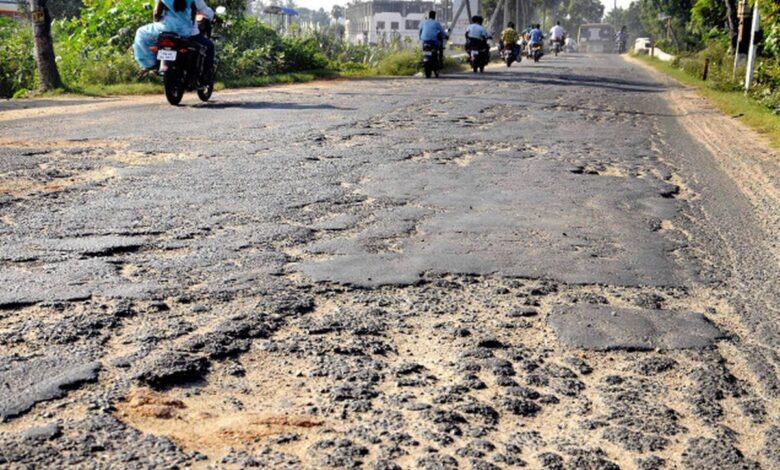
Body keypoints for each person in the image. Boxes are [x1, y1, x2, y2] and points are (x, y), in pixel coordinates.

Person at [133, 0, 196, 70]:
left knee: (141, 32)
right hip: (184, 31)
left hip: (166, 28)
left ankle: (149, 64)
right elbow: (193, 14)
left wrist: (157, 20)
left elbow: (157, 13)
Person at [191, 0, 215, 80]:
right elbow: (204, 10)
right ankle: (205, 74)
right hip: (188, 32)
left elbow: (156, 14)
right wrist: (213, 16)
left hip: (166, 30)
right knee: (210, 46)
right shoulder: (191, 1)